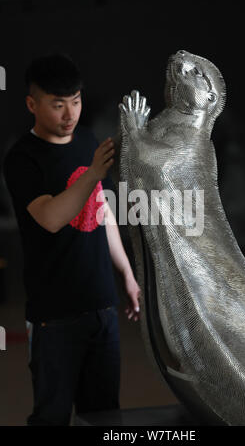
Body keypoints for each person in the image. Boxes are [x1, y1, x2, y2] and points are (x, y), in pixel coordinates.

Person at [2, 53, 140, 426]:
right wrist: (93, 172)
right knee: (52, 416)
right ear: (33, 104)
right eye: (58, 105)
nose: (69, 115)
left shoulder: (87, 143)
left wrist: (126, 274)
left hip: (101, 306)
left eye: (76, 102)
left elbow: (103, 212)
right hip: (53, 316)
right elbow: (50, 218)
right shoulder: (22, 159)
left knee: (104, 415)